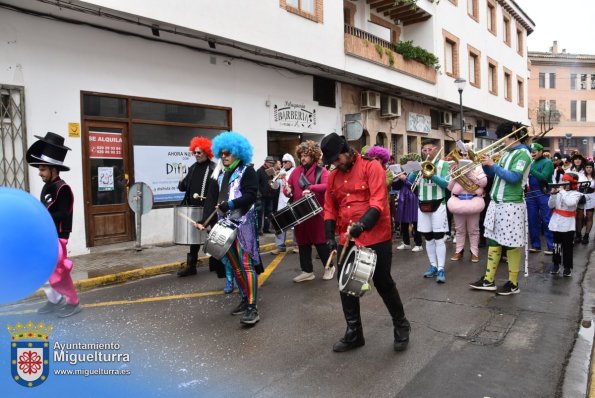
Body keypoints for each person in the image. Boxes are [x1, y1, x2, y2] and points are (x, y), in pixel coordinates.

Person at [321, 133, 410, 353]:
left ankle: (401, 325)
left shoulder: (372, 167)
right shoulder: (333, 176)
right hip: (346, 236)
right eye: (331, 161)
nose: (335, 164)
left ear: (347, 151)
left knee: (383, 282)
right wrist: (329, 235)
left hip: (375, 235)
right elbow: (330, 206)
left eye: (336, 159)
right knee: (347, 286)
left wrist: (363, 225)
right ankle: (354, 333)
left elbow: (378, 202)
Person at [197, 131, 262, 325]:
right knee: (235, 266)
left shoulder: (247, 171)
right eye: (222, 153)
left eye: (228, 153)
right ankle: (244, 298)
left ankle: (252, 307)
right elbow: (213, 200)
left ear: (238, 153)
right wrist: (205, 221)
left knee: (247, 265)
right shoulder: (221, 174)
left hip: (243, 226)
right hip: (225, 226)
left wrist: (231, 204)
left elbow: (251, 196)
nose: (224, 156)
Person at [469, 121, 531, 295]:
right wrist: (481, 166)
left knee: (511, 244)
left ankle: (513, 283)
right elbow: (494, 175)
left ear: (515, 135)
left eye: (505, 137)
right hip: (496, 204)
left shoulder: (523, 154)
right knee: (493, 241)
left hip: (511, 204)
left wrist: (493, 165)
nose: (502, 141)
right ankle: (489, 280)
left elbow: (513, 178)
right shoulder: (506, 153)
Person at [26, 132, 82, 318]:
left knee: (58, 271)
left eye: (42, 169)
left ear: (53, 169)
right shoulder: (47, 186)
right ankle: (54, 299)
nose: (40, 173)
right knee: (42, 269)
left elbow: (63, 213)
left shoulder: (63, 188)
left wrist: (42, 214)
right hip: (48, 234)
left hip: (59, 236)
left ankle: (73, 302)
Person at [284, 141, 333, 282]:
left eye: (306, 155)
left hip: (316, 212)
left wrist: (311, 187)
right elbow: (289, 188)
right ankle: (307, 271)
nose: (303, 158)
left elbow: (327, 186)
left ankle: (329, 267)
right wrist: (287, 191)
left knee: (320, 242)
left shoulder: (321, 171)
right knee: (303, 243)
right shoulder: (296, 171)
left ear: (313, 156)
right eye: (301, 155)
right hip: (299, 213)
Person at [408, 140, 450, 283]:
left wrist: (431, 175)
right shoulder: (420, 165)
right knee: (429, 237)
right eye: (424, 150)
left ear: (435, 149)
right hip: (423, 204)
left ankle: (441, 268)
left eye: (429, 149)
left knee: (439, 237)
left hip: (438, 203)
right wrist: (415, 170)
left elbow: (446, 184)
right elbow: (410, 183)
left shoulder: (443, 164)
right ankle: (432, 265)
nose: (426, 152)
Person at [177, 137, 216, 278]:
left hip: (208, 208)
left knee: (211, 237)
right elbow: (184, 187)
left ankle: (215, 264)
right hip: (193, 207)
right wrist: (181, 182)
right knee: (194, 239)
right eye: (195, 152)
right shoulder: (193, 168)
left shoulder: (213, 168)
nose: (197, 155)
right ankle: (191, 266)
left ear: (207, 152)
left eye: (199, 152)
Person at [447, 143, 487, 263]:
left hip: (473, 201)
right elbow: (449, 187)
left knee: (474, 229)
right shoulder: (455, 167)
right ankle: (459, 251)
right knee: (459, 229)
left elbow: (483, 183)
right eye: (462, 154)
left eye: (466, 154)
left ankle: (474, 252)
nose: (464, 156)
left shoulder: (477, 167)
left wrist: (469, 173)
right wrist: (455, 175)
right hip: (458, 201)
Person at [548, 172, 585, 277]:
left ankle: (567, 267)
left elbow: (570, 203)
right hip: (556, 223)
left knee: (567, 247)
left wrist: (562, 192)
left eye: (566, 180)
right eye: (562, 180)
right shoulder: (559, 192)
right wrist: (553, 195)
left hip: (568, 225)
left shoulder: (577, 194)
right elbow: (550, 205)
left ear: (572, 183)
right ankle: (556, 264)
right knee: (556, 245)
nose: (563, 182)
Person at [526, 143, 554, 255]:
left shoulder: (548, 162)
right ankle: (535, 245)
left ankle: (551, 246)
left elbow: (544, 177)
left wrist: (530, 169)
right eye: (531, 152)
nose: (532, 154)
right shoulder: (532, 162)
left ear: (541, 151)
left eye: (534, 152)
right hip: (531, 192)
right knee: (532, 220)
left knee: (547, 219)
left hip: (544, 192)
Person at [394, 153, 423, 252]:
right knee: (404, 222)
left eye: (411, 165)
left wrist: (405, 179)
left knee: (415, 222)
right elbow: (396, 187)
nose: (409, 167)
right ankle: (406, 243)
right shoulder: (405, 173)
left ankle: (418, 244)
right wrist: (397, 178)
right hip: (403, 199)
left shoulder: (419, 173)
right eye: (408, 165)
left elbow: (414, 188)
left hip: (413, 199)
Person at [270, 153, 296, 255]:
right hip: (282, 201)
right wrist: (275, 178)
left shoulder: (295, 172)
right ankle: (280, 246)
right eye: (283, 162)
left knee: (295, 224)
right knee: (280, 223)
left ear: (291, 162)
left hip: (291, 199)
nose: (284, 164)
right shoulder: (281, 172)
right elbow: (275, 187)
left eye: (285, 162)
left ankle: (296, 245)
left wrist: (284, 178)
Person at [256, 156, 276, 235]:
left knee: (268, 213)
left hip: (270, 195)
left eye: (272, 163)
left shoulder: (271, 171)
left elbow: (272, 182)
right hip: (262, 196)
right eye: (270, 163)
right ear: (266, 162)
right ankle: (259, 229)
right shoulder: (259, 171)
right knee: (260, 214)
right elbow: (257, 184)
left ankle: (266, 228)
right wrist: (259, 194)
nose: (271, 164)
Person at [577, 161, 595, 244]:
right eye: (587, 167)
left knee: (589, 216)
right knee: (579, 216)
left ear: (593, 168)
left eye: (590, 167)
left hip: (591, 197)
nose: (588, 169)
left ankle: (586, 236)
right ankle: (578, 235)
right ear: (585, 168)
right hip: (581, 196)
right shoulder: (580, 175)